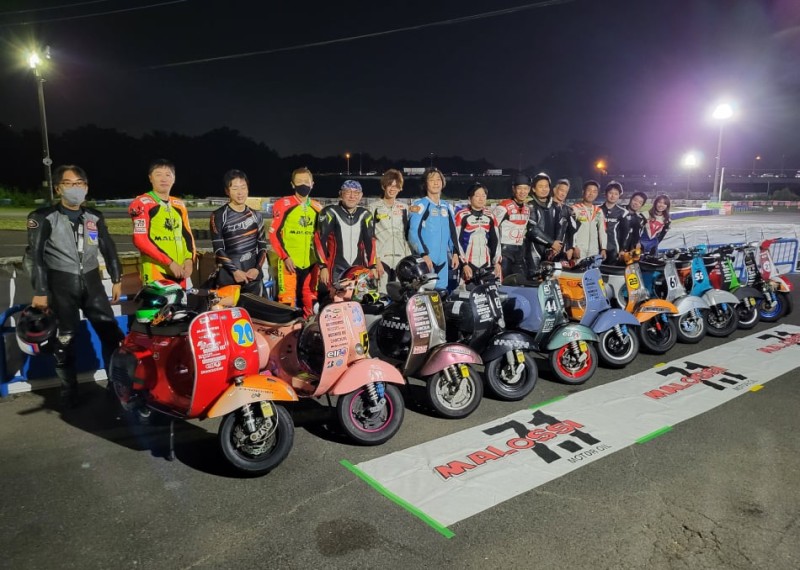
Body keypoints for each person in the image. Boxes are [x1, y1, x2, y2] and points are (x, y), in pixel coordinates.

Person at [26, 165, 125, 408]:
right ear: (58, 188)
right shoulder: (42, 217)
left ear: (87, 188)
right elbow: (35, 256)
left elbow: (108, 246)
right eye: (69, 184)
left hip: (92, 283)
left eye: (80, 183)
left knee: (112, 334)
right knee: (64, 339)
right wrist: (40, 291)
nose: (75, 188)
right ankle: (68, 391)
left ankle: (116, 385)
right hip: (61, 284)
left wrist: (116, 278)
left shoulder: (94, 217)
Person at [129, 159, 196, 286]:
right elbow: (140, 240)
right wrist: (169, 262)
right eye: (158, 174)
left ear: (174, 178)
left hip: (180, 271)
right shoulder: (141, 203)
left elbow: (187, 235)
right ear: (150, 178)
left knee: (181, 300)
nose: (163, 179)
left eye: (168, 175)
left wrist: (189, 260)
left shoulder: (179, 204)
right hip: (156, 271)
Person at [268, 167, 321, 317]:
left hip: (311, 263)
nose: (303, 184)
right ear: (292, 184)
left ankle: (308, 328)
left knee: (311, 300)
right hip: (289, 262)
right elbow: (274, 234)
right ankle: (287, 330)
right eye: (299, 181)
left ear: (312, 184)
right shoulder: (283, 204)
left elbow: (321, 237)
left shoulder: (318, 207)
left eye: (306, 181)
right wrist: (285, 257)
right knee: (287, 301)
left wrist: (321, 262)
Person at [209, 169, 267, 295]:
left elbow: (262, 246)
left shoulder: (256, 215)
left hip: (253, 278)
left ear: (248, 189)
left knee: (258, 308)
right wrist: (234, 271)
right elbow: (218, 249)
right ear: (227, 191)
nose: (240, 192)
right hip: (229, 278)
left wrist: (257, 269)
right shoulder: (218, 215)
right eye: (235, 188)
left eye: (243, 187)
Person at [315, 180, 377, 289]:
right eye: (348, 192)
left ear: (361, 196)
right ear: (341, 194)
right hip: (335, 268)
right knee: (336, 297)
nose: (352, 196)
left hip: (359, 268)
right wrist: (323, 266)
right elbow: (319, 240)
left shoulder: (365, 214)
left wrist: (372, 266)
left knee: (359, 298)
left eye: (356, 193)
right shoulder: (330, 212)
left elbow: (370, 243)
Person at [408, 167, 459, 290]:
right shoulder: (420, 205)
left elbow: (452, 233)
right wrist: (423, 254)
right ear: (425, 184)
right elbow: (413, 233)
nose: (436, 183)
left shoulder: (447, 206)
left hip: (443, 261)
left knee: (441, 295)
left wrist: (455, 253)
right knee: (423, 296)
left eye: (438, 179)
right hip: (425, 261)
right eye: (431, 180)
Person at [373, 169, 411, 293]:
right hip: (382, 260)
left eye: (396, 186)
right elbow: (369, 237)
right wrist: (376, 261)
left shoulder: (404, 208)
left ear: (400, 188)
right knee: (382, 296)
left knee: (400, 296)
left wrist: (408, 260)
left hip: (401, 260)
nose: (392, 189)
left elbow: (407, 235)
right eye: (390, 185)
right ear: (384, 186)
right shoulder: (373, 208)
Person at [454, 182, 501, 282]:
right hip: (468, 265)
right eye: (477, 196)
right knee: (466, 291)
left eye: (483, 196)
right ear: (470, 198)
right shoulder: (461, 216)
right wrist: (464, 264)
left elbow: (495, 241)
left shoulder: (490, 216)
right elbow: (456, 241)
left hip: (486, 264)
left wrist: (497, 262)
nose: (481, 199)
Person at [526, 172, 565, 276]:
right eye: (540, 186)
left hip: (553, 251)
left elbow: (561, 226)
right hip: (535, 251)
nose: (544, 189)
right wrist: (552, 243)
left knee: (554, 280)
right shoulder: (530, 206)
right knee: (535, 279)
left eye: (546, 186)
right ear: (533, 189)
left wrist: (557, 246)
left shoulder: (556, 206)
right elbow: (532, 230)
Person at [494, 173, 532, 278]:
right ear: (513, 189)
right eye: (519, 188)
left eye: (525, 189)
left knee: (522, 281)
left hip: (519, 252)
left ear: (529, 190)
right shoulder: (503, 206)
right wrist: (495, 255)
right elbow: (492, 229)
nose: (522, 192)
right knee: (503, 282)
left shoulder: (527, 209)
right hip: (505, 252)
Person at [571, 180, 607, 262]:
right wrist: (574, 247)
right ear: (583, 192)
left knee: (592, 269)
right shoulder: (574, 209)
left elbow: (602, 231)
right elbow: (570, 230)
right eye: (589, 190)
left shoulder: (598, 211)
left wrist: (603, 248)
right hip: (579, 249)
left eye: (594, 191)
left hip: (594, 250)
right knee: (577, 270)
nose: (591, 193)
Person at [551, 178, 578, 263]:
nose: (563, 194)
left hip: (563, 252)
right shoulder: (546, 207)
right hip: (547, 248)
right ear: (555, 190)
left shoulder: (569, 210)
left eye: (566, 192)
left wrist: (571, 248)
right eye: (561, 190)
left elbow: (572, 231)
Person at [600, 181, 627, 263]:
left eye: (616, 194)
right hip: (597, 247)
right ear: (606, 194)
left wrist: (622, 249)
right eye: (610, 193)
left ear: (619, 196)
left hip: (614, 248)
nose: (613, 196)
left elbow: (624, 233)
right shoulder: (597, 210)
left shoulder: (623, 212)